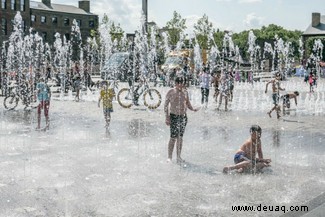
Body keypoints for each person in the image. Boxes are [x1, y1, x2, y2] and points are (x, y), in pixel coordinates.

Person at [164, 76, 199, 163]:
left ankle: (178, 156)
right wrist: (167, 117)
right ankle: (169, 157)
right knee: (173, 137)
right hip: (174, 116)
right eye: (179, 82)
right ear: (175, 83)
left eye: (182, 82)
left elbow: (187, 103)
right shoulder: (171, 92)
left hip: (183, 117)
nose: (181, 84)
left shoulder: (185, 92)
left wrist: (193, 109)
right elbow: (165, 105)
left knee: (180, 137)